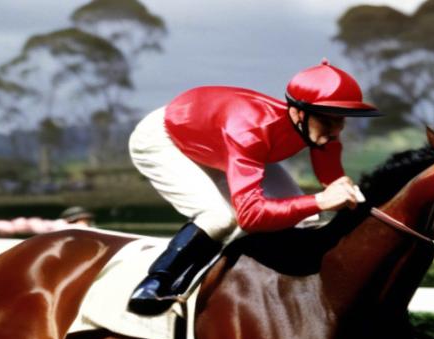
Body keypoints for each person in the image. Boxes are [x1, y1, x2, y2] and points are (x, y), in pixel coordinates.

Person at [126, 59, 380, 315]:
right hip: (166, 138)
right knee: (221, 218)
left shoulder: (318, 130)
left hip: (220, 140)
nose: (337, 131)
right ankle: (156, 282)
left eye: (342, 120)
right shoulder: (253, 132)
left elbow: (331, 176)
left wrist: (344, 192)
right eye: (328, 120)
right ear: (298, 113)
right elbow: (250, 216)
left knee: (306, 218)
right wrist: (320, 200)